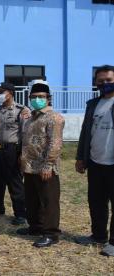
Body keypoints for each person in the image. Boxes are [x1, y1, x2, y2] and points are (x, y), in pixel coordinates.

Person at [18, 83, 65, 248]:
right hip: (30, 166)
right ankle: (35, 227)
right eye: (34, 97)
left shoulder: (54, 117)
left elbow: (55, 143)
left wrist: (48, 165)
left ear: (48, 98)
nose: (37, 100)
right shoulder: (30, 118)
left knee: (49, 201)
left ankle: (51, 234)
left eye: (41, 97)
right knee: (31, 200)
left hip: (45, 167)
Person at [75, 65, 114, 256]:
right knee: (96, 202)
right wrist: (80, 158)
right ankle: (98, 235)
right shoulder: (93, 104)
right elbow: (85, 132)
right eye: (101, 81)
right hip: (96, 162)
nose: (105, 83)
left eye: (108, 80)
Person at [0, 82, 29, 225]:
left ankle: (20, 213)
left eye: (1, 92)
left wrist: (22, 154)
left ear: (10, 93)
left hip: (12, 149)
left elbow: (25, 133)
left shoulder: (21, 110)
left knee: (15, 182)